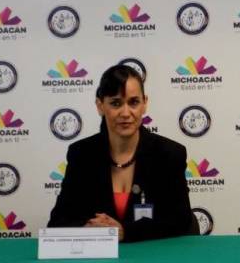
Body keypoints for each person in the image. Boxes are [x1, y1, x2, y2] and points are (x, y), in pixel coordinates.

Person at [48, 64, 197, 241]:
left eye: (133, 102)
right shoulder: (81, 154)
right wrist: (88, 228)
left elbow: (180, 221)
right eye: (116, 103)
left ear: (144, 104)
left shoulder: (170, 154)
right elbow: (58, 222)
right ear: (100, 106)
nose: (126, 113)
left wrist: (125, 231)